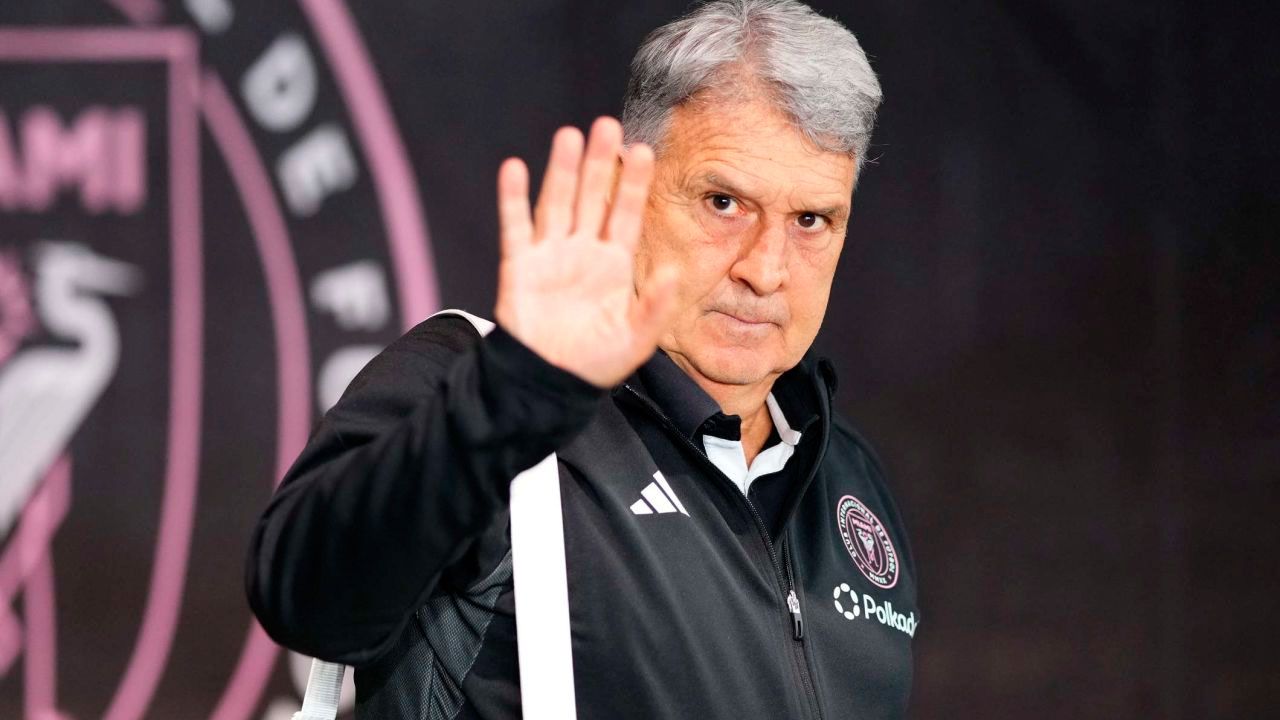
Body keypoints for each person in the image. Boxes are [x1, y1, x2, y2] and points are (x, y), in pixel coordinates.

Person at [247, 1, 919, 717]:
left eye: (811, 220)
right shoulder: (475, 382)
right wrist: (514, 394)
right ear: (624, 192)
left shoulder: (845, 472)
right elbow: (307, 599)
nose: (766, 268)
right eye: (724, 202)